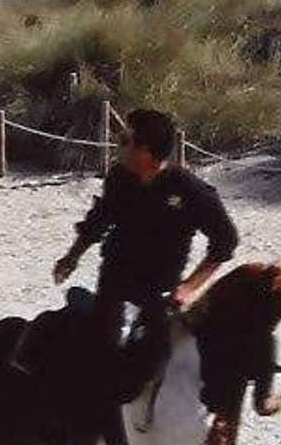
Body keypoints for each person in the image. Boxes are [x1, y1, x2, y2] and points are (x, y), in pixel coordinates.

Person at [51, 107, 240, 387]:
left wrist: (189, 287)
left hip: (159, 291)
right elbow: (98, 220)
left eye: (126, 141)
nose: (119, 147)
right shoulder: (118, 178)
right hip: (114, 282)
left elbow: (225, 241)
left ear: (146, 152)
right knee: (86, 356)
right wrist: (72, 257)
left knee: (145, 366)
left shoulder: (191, 192)